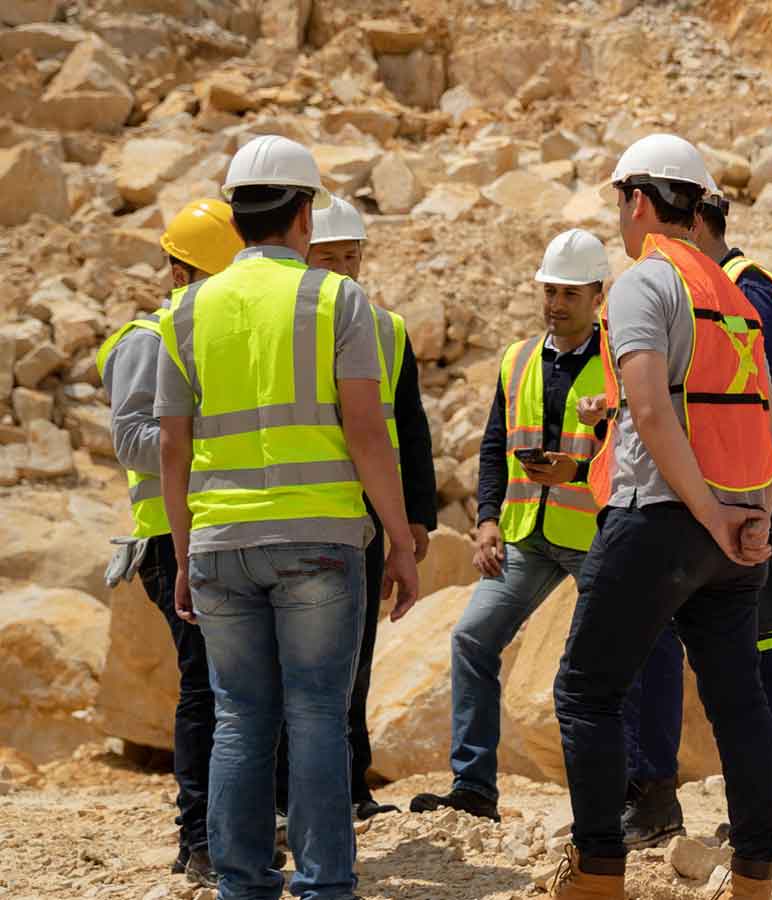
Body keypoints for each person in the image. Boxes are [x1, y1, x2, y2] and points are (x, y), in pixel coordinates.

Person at [155, 134, 420, 900]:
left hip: (220, 544)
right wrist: (400, 540)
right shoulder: (339, 299)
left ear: (236, 218)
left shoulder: (187, 309)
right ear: (305, 213)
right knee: (315, 717)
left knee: (239, 718)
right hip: (320, 541)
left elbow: (173, 450)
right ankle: (325, 885)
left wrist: (183, 550)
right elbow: (369, 434)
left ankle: (241, 884)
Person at [550, 134, 772, 900]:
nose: (619, 218)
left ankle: (596, 876)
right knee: (736, 697)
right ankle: (753, 875)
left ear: (640, 201)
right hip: (734, 525)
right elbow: (766, 415)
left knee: (586, 691)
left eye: (620, 201)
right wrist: (753, 516)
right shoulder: (730, 290)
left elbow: (650, 412)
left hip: (660, 516)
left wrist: (712, 516)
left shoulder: (645, 283)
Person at [614, 186, 772, 880]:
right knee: (747, 672)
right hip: (732, 505)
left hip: (752, 510)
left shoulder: (747, 289)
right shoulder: (720, 289)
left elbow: (750, 400)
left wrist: (762, 514)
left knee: (771, 671)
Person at [410, 228, 609, 822]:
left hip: (596, 540)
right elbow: (496, 444)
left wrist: (579, 470)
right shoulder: (517, 359)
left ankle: (618, 801)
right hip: (524, 533)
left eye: (570, 292)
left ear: (598, 295)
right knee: (472, 638)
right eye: (550, 290)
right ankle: (473, 787)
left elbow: (632, 450)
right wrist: (487, 520)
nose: (556, 302)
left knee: (598, 668)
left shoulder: (622, 362)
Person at [272, 195, 439, 822]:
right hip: (309, 508)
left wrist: (414, 518)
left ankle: (349, 782)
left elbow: (410, 431)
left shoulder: (387, 329)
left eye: (352, 257)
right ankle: (288, 789)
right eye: (329, 258)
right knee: (298, 661)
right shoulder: (289, 324)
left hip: (368, 517)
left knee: (355, 656)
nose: (343, 270)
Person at [96, 198, 244, 887]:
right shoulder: (148, 340)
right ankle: (198, 839)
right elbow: (130, 435)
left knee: (235, 687)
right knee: (205, 690)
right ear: (182, 272)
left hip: (217, 527)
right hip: (166, 538)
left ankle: (228, 826)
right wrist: (206, 437)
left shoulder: (209, 334)